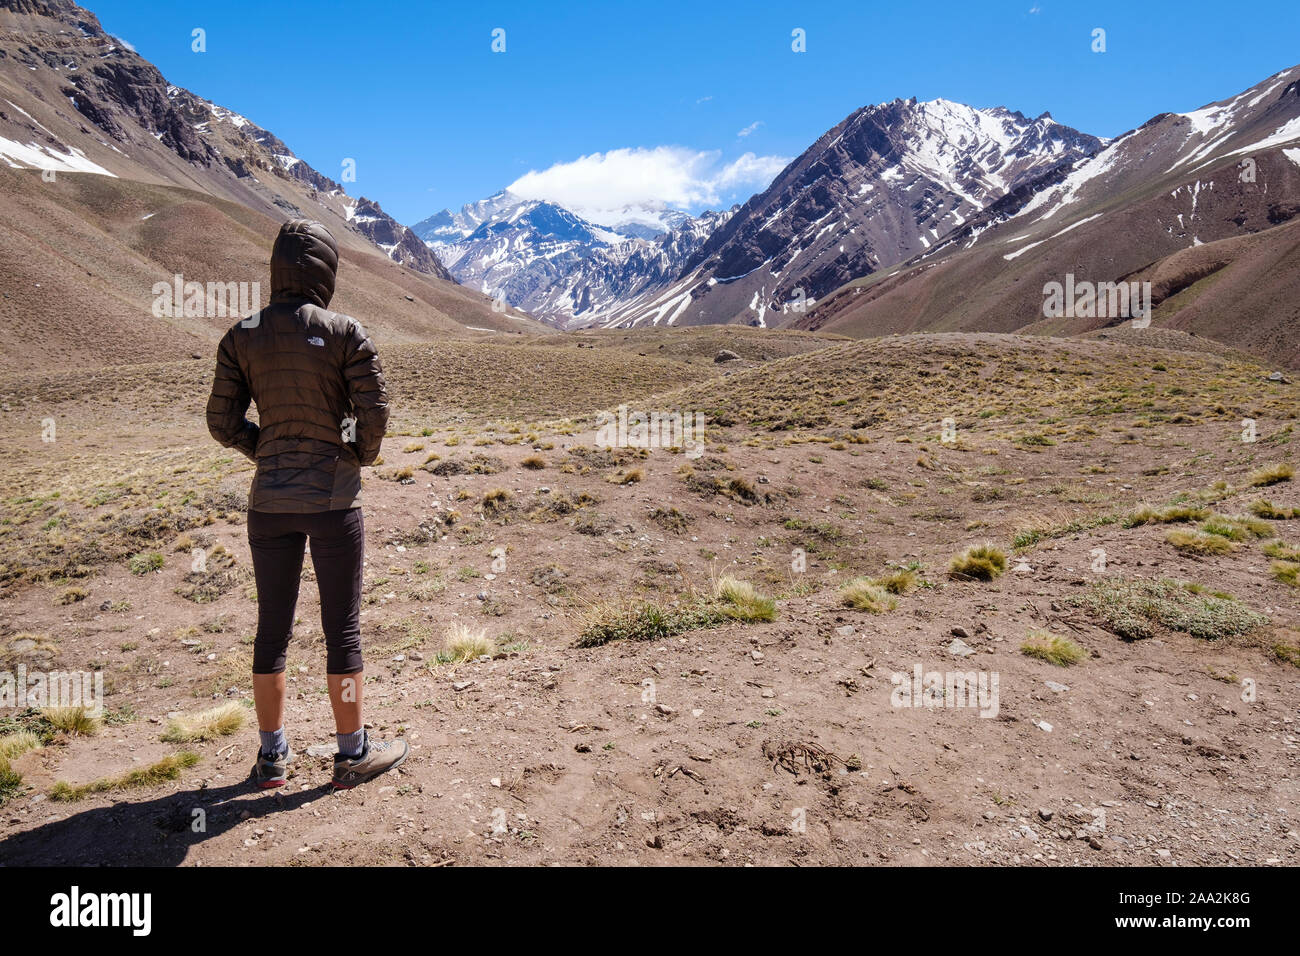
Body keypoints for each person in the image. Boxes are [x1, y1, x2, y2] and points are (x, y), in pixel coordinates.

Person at [205, 219, 408, 790]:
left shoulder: (241, 334)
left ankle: (272, 758)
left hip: (269, 502)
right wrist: (355, 456)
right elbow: (376, 413)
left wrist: (265, 449)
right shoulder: (346, 332)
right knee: (341, 627)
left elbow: (221, 421)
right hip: (333, 499)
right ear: (327, 271)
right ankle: (351, 754)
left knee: (272, 629)